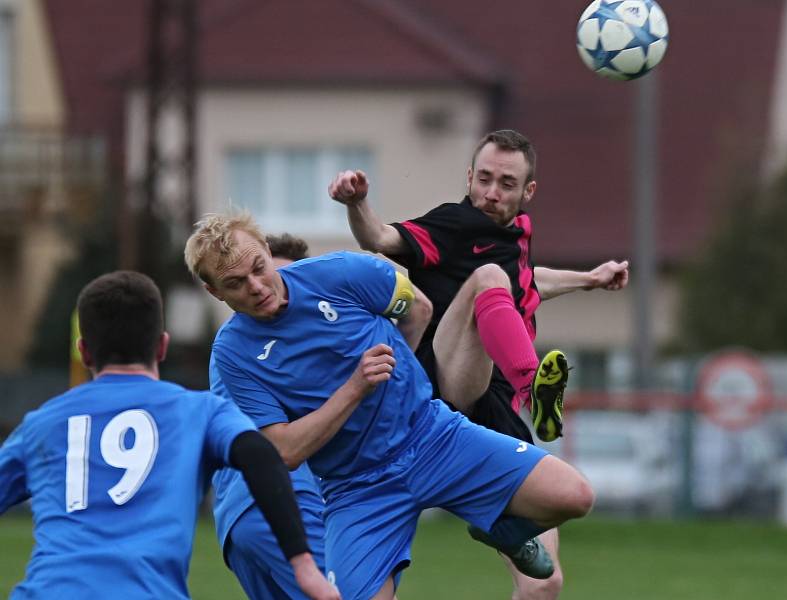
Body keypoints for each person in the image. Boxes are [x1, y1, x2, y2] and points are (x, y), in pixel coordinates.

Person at [184, 213, 594, 600]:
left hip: (432, 436)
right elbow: (285, 451)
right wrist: (356, 388)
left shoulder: (343, 272)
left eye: (258, 267)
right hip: (357, 486)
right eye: (235, 283)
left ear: (264, 248)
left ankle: (503, 528)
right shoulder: (232, 354)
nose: (255, 286)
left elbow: (418, 307)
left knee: (573, 496)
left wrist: (400, 377)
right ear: (214, 291)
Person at [328, 128, 629, 599]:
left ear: (527, 192)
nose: (491, 192)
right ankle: (536, 389)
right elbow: (381, 237)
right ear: (469, 177)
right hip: (444, 388)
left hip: (493, 407)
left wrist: (590, 278)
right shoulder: (453, 224)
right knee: (488, 279)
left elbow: (526, 283)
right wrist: (356, 203)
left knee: (543, 582)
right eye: (484, 178)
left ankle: (503, 518)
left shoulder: (515, 236)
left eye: (506, 184)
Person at [0, 270, 339, 600]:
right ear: (162, 346)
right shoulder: (199, 411)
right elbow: (261, 455)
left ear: (84, 351)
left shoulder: (41, 424)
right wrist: (303, 565)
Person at [211, 232, 326, 600]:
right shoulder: (240, 350)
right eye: (243, 282)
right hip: (285, 501)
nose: (263, 290)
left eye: (278, 280)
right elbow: (287, 449)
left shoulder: (229, 348)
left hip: (235, 521)